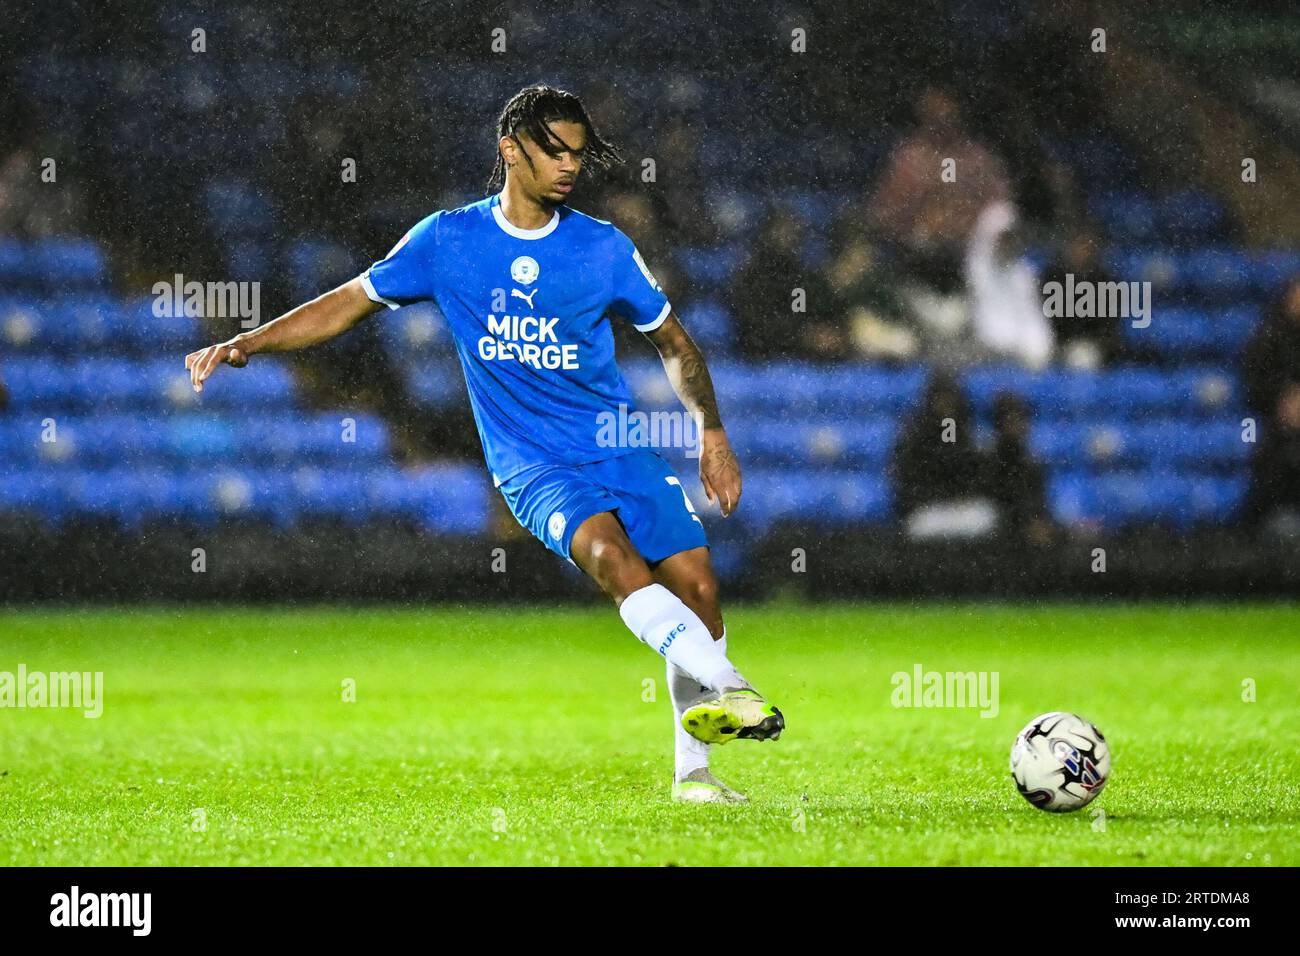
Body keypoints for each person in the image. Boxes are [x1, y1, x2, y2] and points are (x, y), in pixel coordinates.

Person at [183, 85, 783, 804]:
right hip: (532, 464)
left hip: (618, 444)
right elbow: (350, 299)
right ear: (510, 151)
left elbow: (674, 344)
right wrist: (251, 341)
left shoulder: (603, 248)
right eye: (552, 151)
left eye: (578, 154)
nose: (569, 167)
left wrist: (710, 431)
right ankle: (734, 687)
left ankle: (694, 777)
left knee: (699, 592)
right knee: (610, 559)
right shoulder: (448, 240)